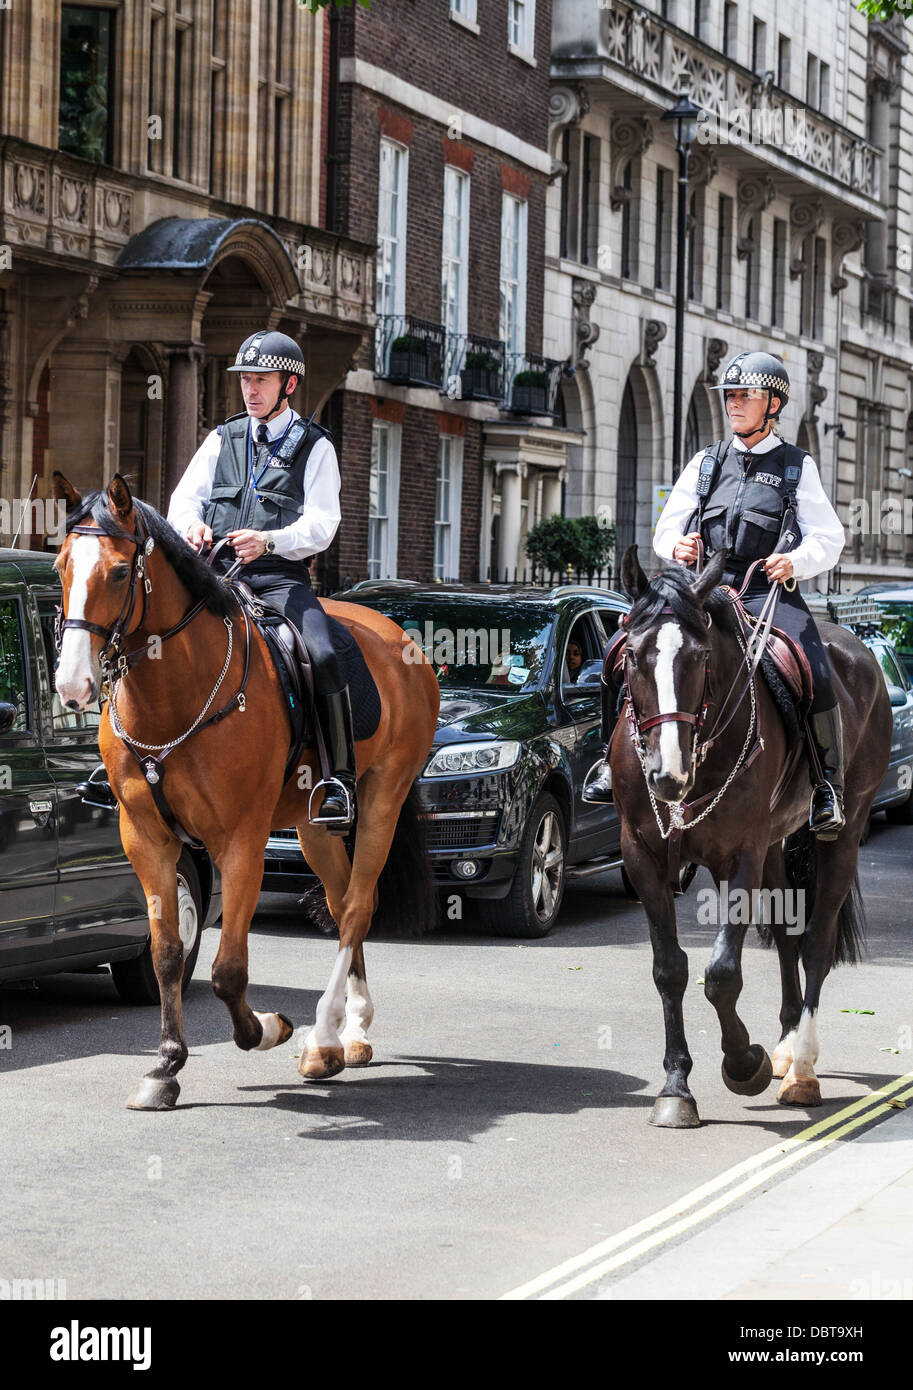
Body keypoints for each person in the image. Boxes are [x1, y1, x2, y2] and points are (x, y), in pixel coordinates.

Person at [584, 351, 847, 840]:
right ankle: (606, 760)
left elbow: (829, 538)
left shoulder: (795, 467)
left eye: (745, 395)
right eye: (730, 395)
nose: (734, 403)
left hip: (768, 595)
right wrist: (675, 544)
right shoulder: (706, 463)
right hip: (700, 595)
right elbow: (666, 528)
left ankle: (827, 784)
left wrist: (797, 561)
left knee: (813, 664)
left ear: (773, 404)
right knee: (622, 650)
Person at [167, 329, 356, 833]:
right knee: (153, 630)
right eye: (246, 380)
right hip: (213, 571)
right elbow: (183, 501)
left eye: (262, 380)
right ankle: (126, 758)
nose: (251, 390)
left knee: (323, 653)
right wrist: (192, 526)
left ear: (288, 385)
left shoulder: (316, 448)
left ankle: (339, 780)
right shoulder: (220, 438)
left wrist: (269, 541)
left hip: (277, 577)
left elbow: (322, 525)